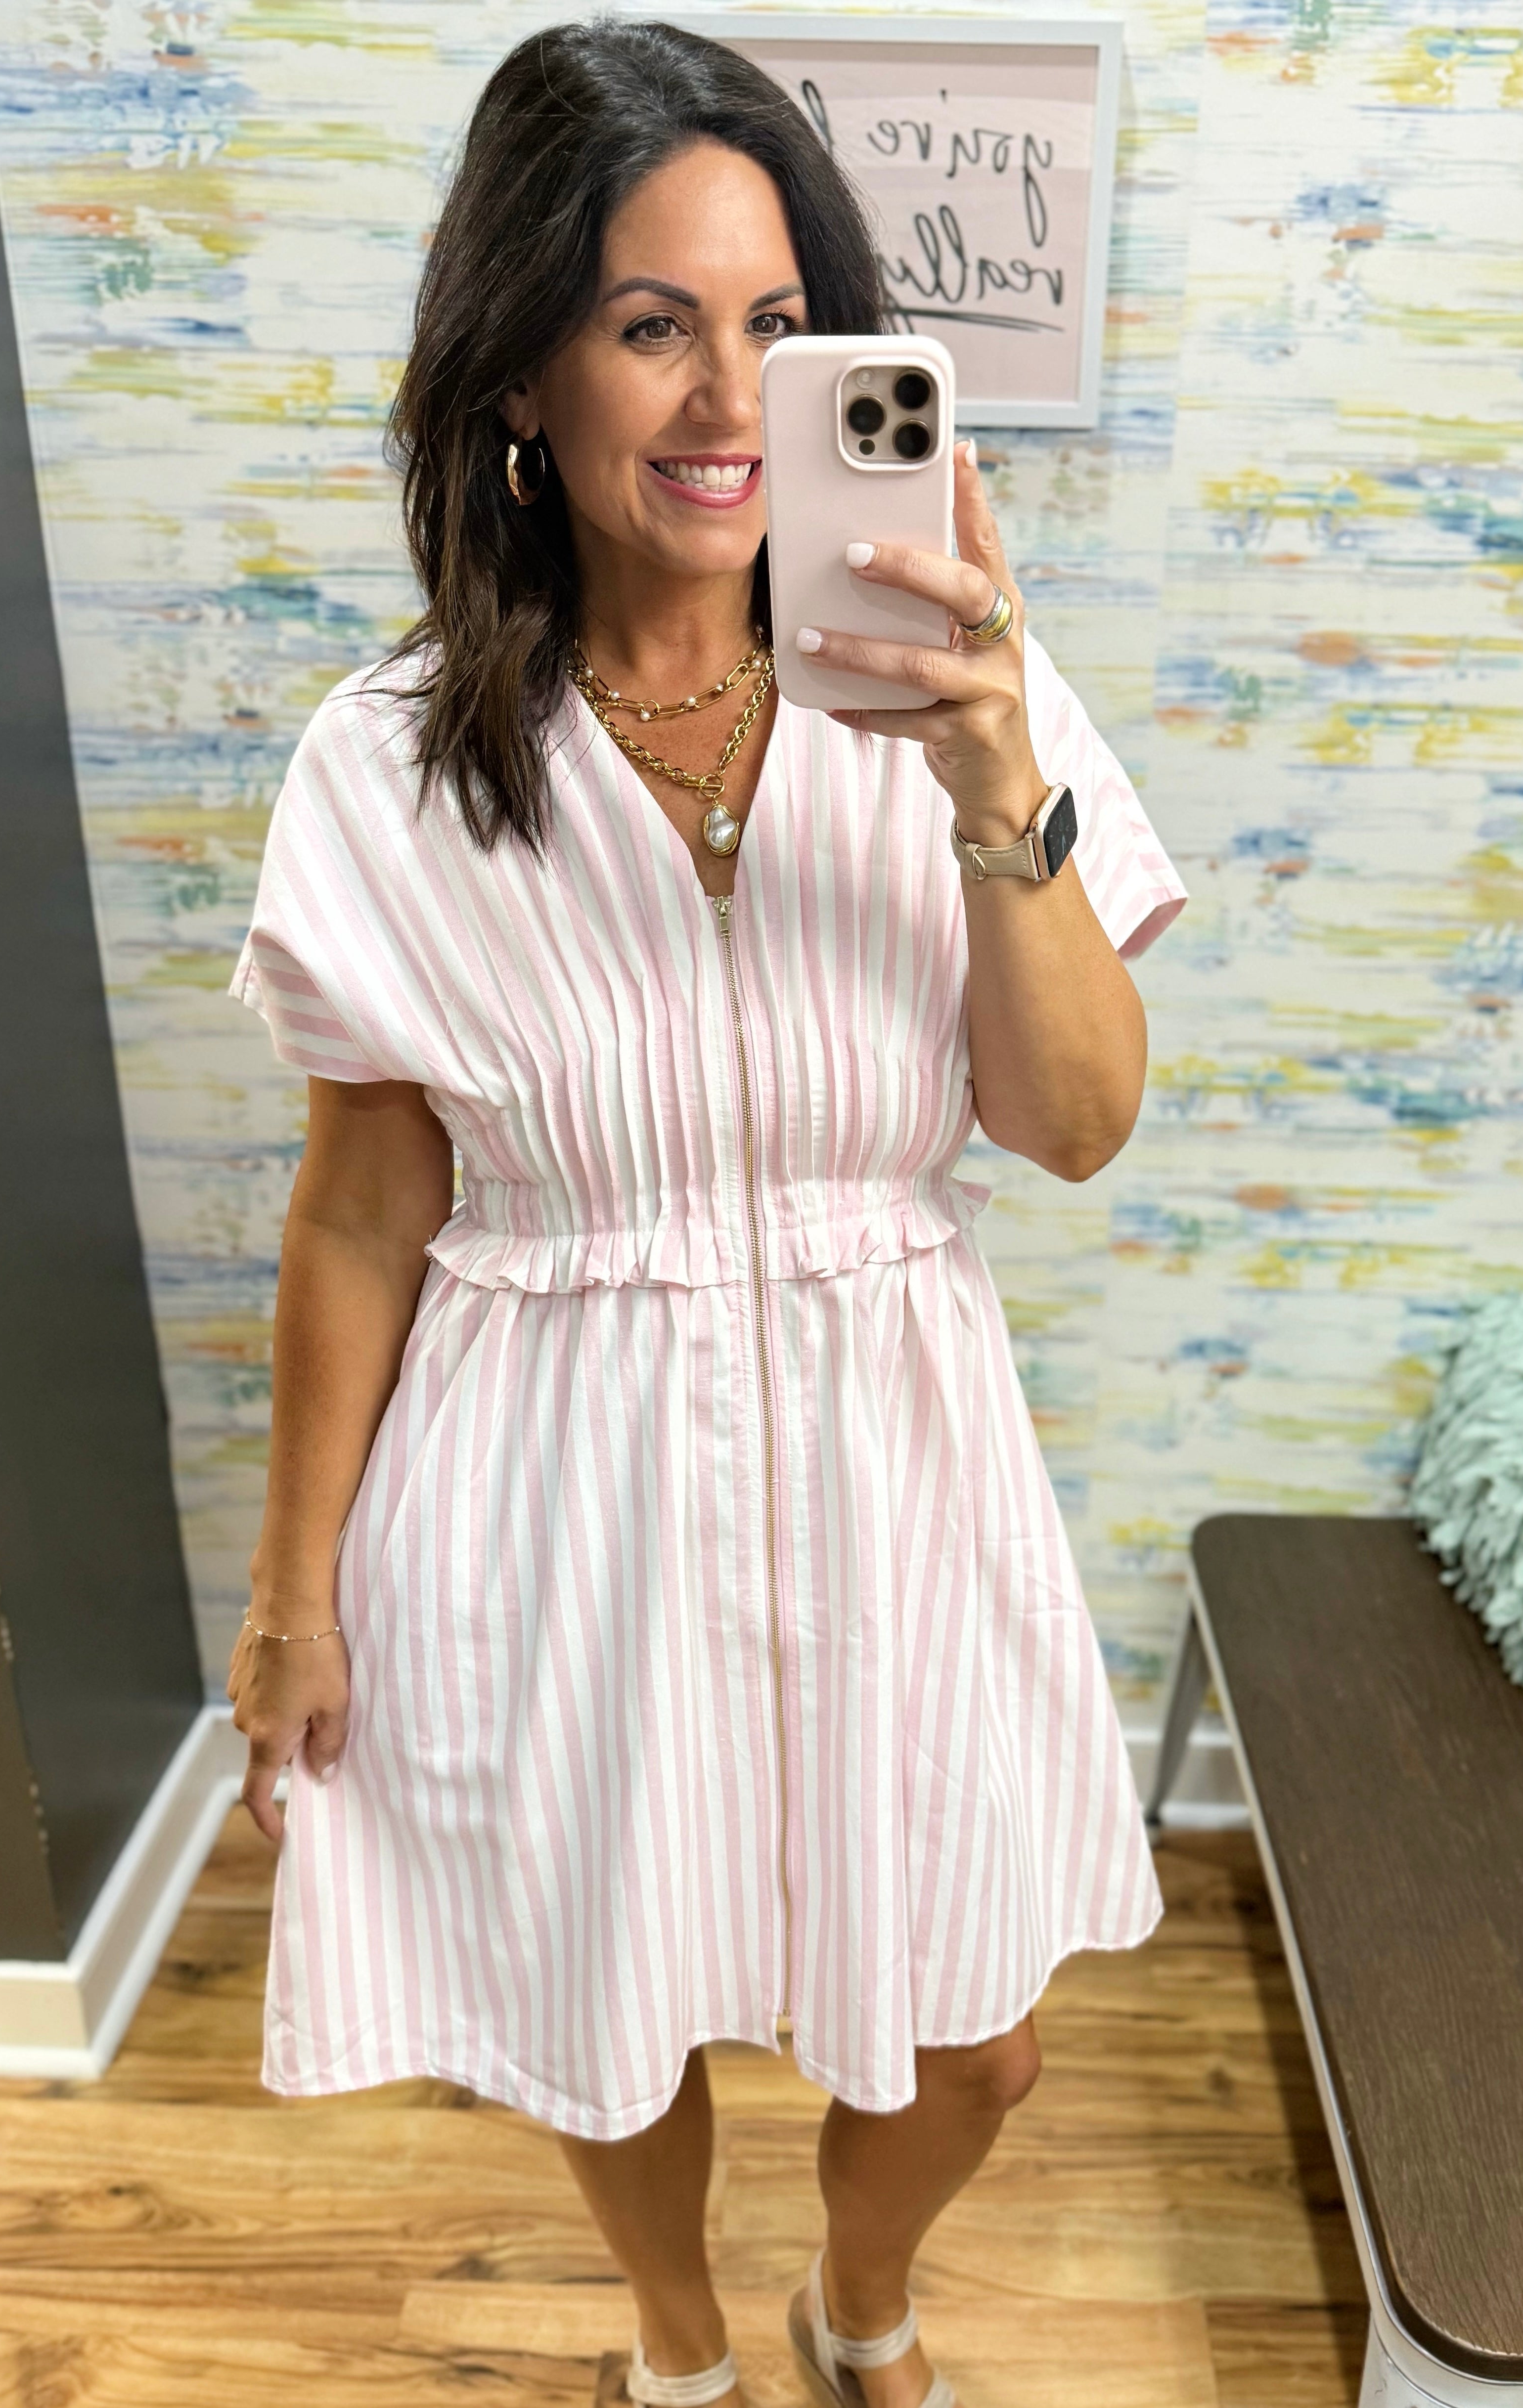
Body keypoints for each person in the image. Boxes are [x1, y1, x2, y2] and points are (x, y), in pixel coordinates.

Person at [224, 20, 1185, 2408]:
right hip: (558, 1492)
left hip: (897, 1479)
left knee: (971, 2047)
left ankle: (855, 2304)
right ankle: (675, 2345)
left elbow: (1071, 1125)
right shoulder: (388, 769)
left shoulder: (968, 696)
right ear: (520, 377)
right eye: (649, 324)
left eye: (779, 325)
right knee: (610, 2017)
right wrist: (290, 1593)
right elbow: (359, 1216)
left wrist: (989, 777)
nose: (727, 397)